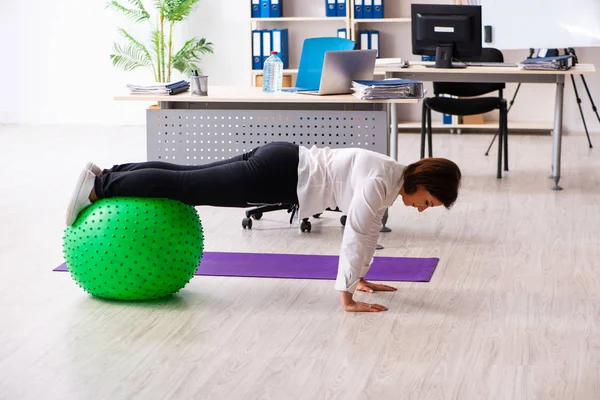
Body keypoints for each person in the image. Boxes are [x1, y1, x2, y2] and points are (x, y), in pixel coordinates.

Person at [66, 141, 461, 312]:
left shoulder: (390, 174)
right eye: (427, 201)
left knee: (188, 177)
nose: (422, 209)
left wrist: (362, 276)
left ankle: (110, 172)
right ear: (422, 182)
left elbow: (369, 231)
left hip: (282, 161)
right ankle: (100, 187)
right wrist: (347, 295)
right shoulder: (380, 183)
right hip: (279, 176)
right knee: (186, 185)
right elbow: (358, 234)